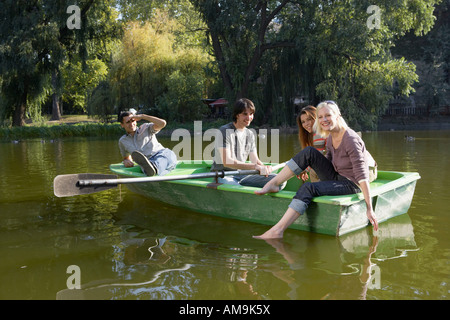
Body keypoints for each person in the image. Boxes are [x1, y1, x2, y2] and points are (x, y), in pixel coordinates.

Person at [253, 100, 378, 239]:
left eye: (328, 115)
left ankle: (278, 230)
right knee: (309, 152)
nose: (324, 120)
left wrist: (369, 208)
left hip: (351, 183)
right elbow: (328, 163)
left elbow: (362, 175)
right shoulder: (330, 137)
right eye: (320, 117)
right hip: (337, 176)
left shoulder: (350, 139)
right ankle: (274, 183)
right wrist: (304, 167)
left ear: (338, 115)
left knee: (308, 188)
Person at [211, 98, 277, 188]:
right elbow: (227, 162)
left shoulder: (250, 134)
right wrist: (255, 167)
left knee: (278, 180)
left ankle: (254, 189)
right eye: (245, 114)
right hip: (224, 175)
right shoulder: (224, 131)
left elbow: (256, 160)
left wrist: (265, 167)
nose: (249, 117)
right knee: (236, 188)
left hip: (241, 174)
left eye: (251, 114)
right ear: (237, 115)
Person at [118, 109, 177, 176]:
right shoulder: (122, 141)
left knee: (161, 160)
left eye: (133, 121)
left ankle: (154, 168)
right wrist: (126, 161)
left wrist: (143, 116)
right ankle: (154, 170)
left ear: (136, 121)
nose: (131, 124)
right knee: (157, 171)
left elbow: (162, 123)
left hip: (163, 154)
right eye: (128, 122)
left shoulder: (145, 127)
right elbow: (126, 158)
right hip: (147, 163)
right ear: (122, 125)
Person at [296, 105, 326, 182]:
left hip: (336, 170)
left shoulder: (319, 134)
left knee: (313, 171)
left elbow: (318, 158)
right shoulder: (315, 134)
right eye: (303, 122)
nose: (306, 124)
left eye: (309, 119)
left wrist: (306, 169)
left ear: (316, 118)